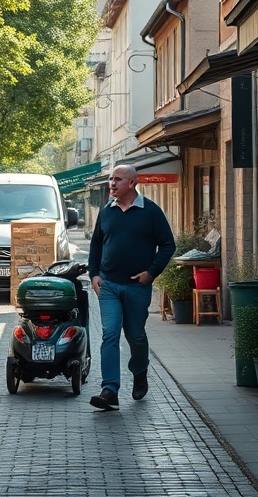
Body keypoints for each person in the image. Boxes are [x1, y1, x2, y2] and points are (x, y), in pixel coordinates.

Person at [87, 164, 176, 411]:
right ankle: (110, 390)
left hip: (137, 287)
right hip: (109, 285)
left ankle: (140, 371)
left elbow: (168, 245)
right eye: (110, 179)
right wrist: (94, 275)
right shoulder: (106, 211)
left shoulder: (151, 212)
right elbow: (96, 245)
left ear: (132, 183)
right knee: (110, 334)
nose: (112, 184)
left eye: (117, 179)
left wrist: (150, 273)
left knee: (135, 336)